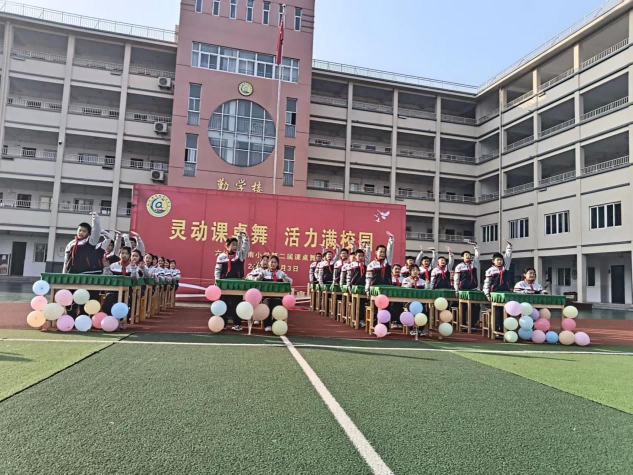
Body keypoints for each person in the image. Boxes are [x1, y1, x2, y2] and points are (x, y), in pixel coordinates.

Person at [215, 231, 250, 331]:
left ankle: (237, 324)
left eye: (236, 245)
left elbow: (245, 249)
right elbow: (217, 270)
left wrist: (246, 239)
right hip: (224, 284)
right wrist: (217, 281)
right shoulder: (221, 257)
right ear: (227, 246)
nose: (235, 246)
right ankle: (223, 323)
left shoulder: (239, 255)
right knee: (223, 303)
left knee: (237, 303)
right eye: (233, 245)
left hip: (237, 284)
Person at [483, 240, 513, 337]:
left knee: (506, 312)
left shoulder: (505, 268)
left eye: (501, 260)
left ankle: (505, 330)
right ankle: (496, 331)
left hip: (505, 293)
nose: (500, 261)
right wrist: (487, 294)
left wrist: (509, 247)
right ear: (493, 261)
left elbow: (508, 256)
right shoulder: (490, 271)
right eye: (498, 260)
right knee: (497, 312)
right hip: (495, 293)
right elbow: (487, 283)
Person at [261, 255, 293, 331]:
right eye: (271, 262)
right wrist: (260, 277)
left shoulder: (281, 273)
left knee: (277, 306)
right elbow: (256, 280)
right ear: (268, 263)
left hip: (278, 297)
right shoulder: (264, 272)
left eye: (275, 262)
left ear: (278, 264)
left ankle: (275, 324)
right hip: (266, 297)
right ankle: (267, 325)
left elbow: (290, 282)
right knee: (267, 305)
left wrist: (285, 278)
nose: (273, 264)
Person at [453, 242, 480, 330]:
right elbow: (456, 279)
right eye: (466, 255)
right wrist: (456, 290)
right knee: (464, 307)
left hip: (474, 289)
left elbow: (477, 256)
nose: (468, 256)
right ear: (462, 257)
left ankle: (472, 324)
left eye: (469, 255)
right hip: (463, 289)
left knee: (476, 307)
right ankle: (463, 324)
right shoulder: (459, 266)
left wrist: (476, 247)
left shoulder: (474, 264)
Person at [402, 264, 425, 336]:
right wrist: (410, 284)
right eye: (413, 270)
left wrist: (427, 285)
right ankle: (412, 329)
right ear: (410, 271)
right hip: (409, 301)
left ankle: (421, 329)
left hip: (420, 302)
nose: (415, 271)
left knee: (424, 310)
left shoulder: (422, 281)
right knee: (411, 310)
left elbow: (427, 290)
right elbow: (403, 288)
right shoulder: (406, 279)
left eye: (417, 270)